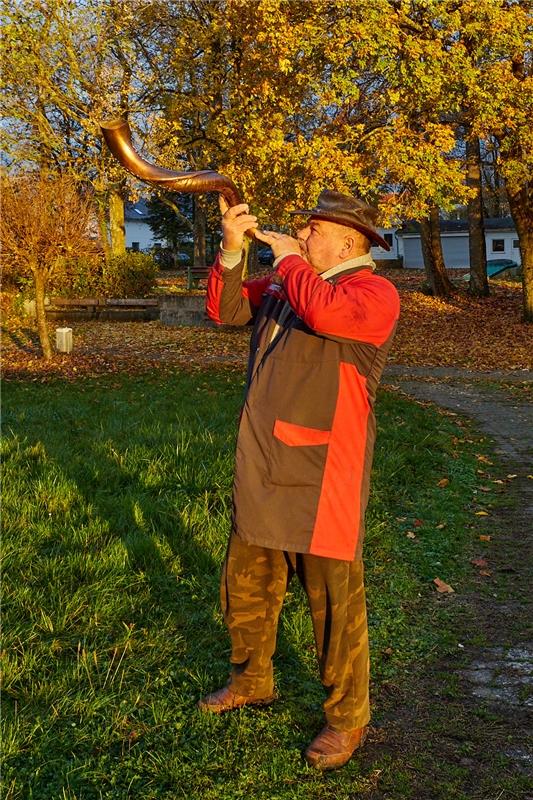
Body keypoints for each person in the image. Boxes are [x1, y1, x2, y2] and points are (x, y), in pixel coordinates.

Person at [200, 189, 400, 770]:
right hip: (263, 461)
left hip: (325, 473)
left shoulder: (373, 293)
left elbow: (329, 315)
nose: (301, 236)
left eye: (312, 231)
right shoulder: (293, 285)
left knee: (334, 604)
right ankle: (251, 679)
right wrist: (233, 249)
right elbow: (228, 311)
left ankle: (346, 718)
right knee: (247, 586)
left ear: (346, 242)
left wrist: (287, 259)